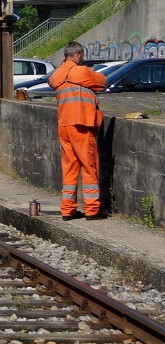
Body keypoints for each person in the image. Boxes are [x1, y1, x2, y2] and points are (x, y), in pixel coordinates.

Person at [48, 42, 107, 220]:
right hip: (81, 125)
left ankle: (67, 210)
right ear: (79, 55)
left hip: (64, 126)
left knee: (70, 168)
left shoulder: (57, 74)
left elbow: (52, 81)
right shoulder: (81, 71)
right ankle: (92, 210)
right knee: (89, 166)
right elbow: (103, 82)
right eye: (83, 56)